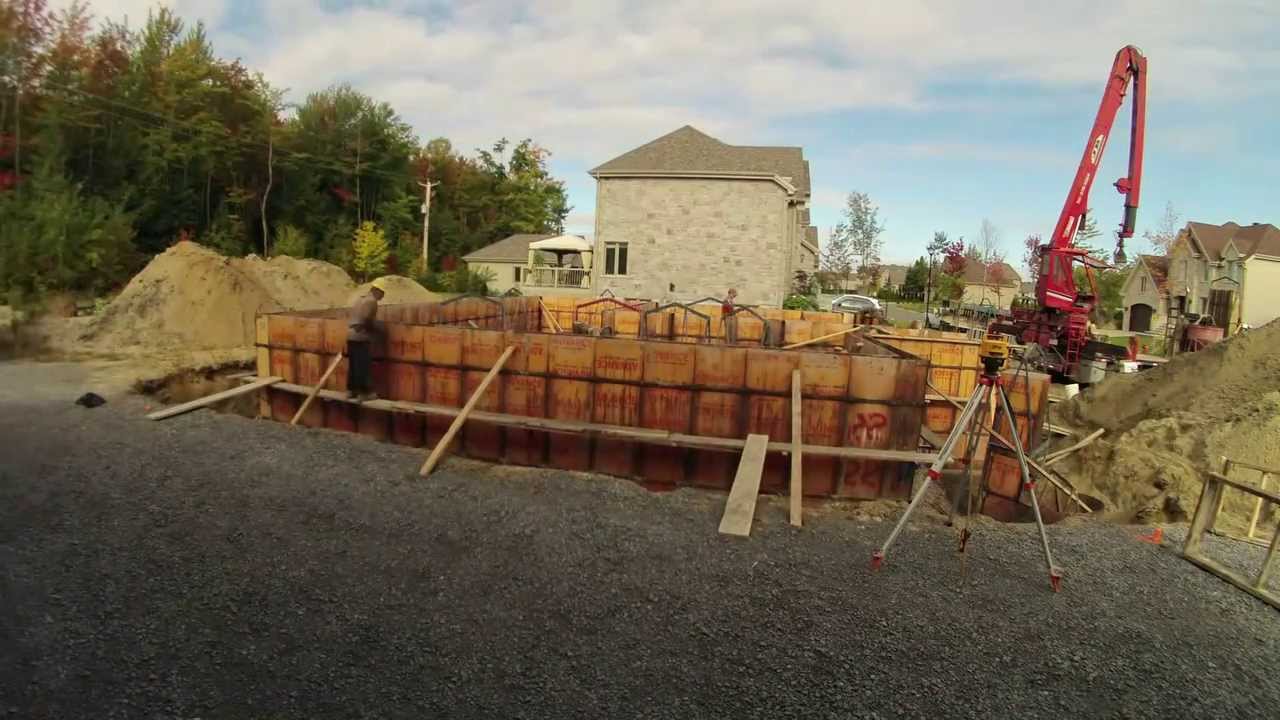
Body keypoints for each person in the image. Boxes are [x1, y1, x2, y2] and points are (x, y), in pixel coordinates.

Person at [347, 279, 386, 401]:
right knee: (363, 365)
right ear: (377, 291)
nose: (382, 297)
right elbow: (367, 318)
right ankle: (365, 393)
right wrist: (377, 330)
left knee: (353, 365)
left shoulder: (360, 298)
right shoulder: (372, 301)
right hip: (361, 335)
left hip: (350, 335)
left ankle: (351, 391)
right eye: (382, 294)